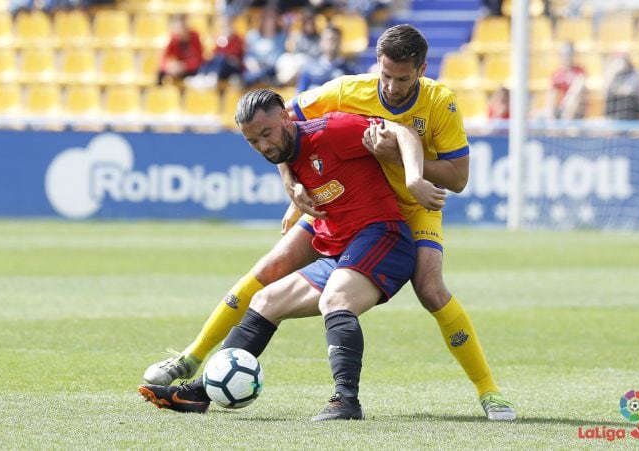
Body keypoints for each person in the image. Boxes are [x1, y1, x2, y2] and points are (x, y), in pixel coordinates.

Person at [143, 24, 517, 421]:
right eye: (385, 75)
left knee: (428, 288)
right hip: (342, 207)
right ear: (377, 64)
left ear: (422, 70)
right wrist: (292, 187)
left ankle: (486, 391)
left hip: (407, 206)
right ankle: (193, 370)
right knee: (266, 284)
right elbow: (282, 134)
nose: (391, 87)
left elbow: (456, 177)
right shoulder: (344, 92)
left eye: (402, 78)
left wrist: (407, 171)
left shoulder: (439, 103)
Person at [139, 89, 445, 420]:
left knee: (336, 299)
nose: (264, 147)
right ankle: (199, 393)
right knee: (265, 302)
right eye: (254, 142)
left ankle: (346, 401)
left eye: (266, 134)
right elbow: (285, 153)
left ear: (286, 117)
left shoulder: (332, 130)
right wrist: (290, 183)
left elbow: (403, 131)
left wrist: (415, 179)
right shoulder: (286, 151)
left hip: (384, 239)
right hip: (343, 251)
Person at [296, 25, 359, 93]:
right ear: (321, 42)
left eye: (335, 39)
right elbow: (299, 97)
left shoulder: (351, 71)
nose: (332, 43)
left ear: (340, 42)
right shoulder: (309, 68)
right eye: (329, 39)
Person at [242, 9, 287, 87]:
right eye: (267, 20)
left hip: (271, 68)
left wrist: (264, 65)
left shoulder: (281, 37)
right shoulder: (253, 36)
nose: (270, 23)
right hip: (255, 68)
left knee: (261, 74)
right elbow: (249, 55)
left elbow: (278, 55)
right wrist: (253, 64)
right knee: (248, 76)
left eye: (272, 20)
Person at [156, 15, 204, 86]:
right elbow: (163, 58)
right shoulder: (173, 39)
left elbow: (199, 60)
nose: (181, 30)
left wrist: (185, 66)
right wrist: (169, 66)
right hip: (178, 68)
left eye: (183, 27)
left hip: (191, 69)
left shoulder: (194, 36)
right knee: (160, 73)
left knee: (200, 73)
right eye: (178, 28)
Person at [545, 42, 586, 120]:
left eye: (569, 54)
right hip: (560, 108)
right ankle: (551, 119)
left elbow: (578, 89)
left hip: (576, 109)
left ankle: (566, 121)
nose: (566, 57)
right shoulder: (556, 74)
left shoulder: (579, 71)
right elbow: (551, 94)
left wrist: (567, 101)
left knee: (575, 95)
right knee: (551, 93)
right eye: (564, 54)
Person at [603, 54, 639, 120]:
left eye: (620, 61)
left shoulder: (636, 74)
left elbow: (627, 90)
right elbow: (605, 90)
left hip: (633, 116)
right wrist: (611, 73)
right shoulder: (613, 75)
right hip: (614, 115)